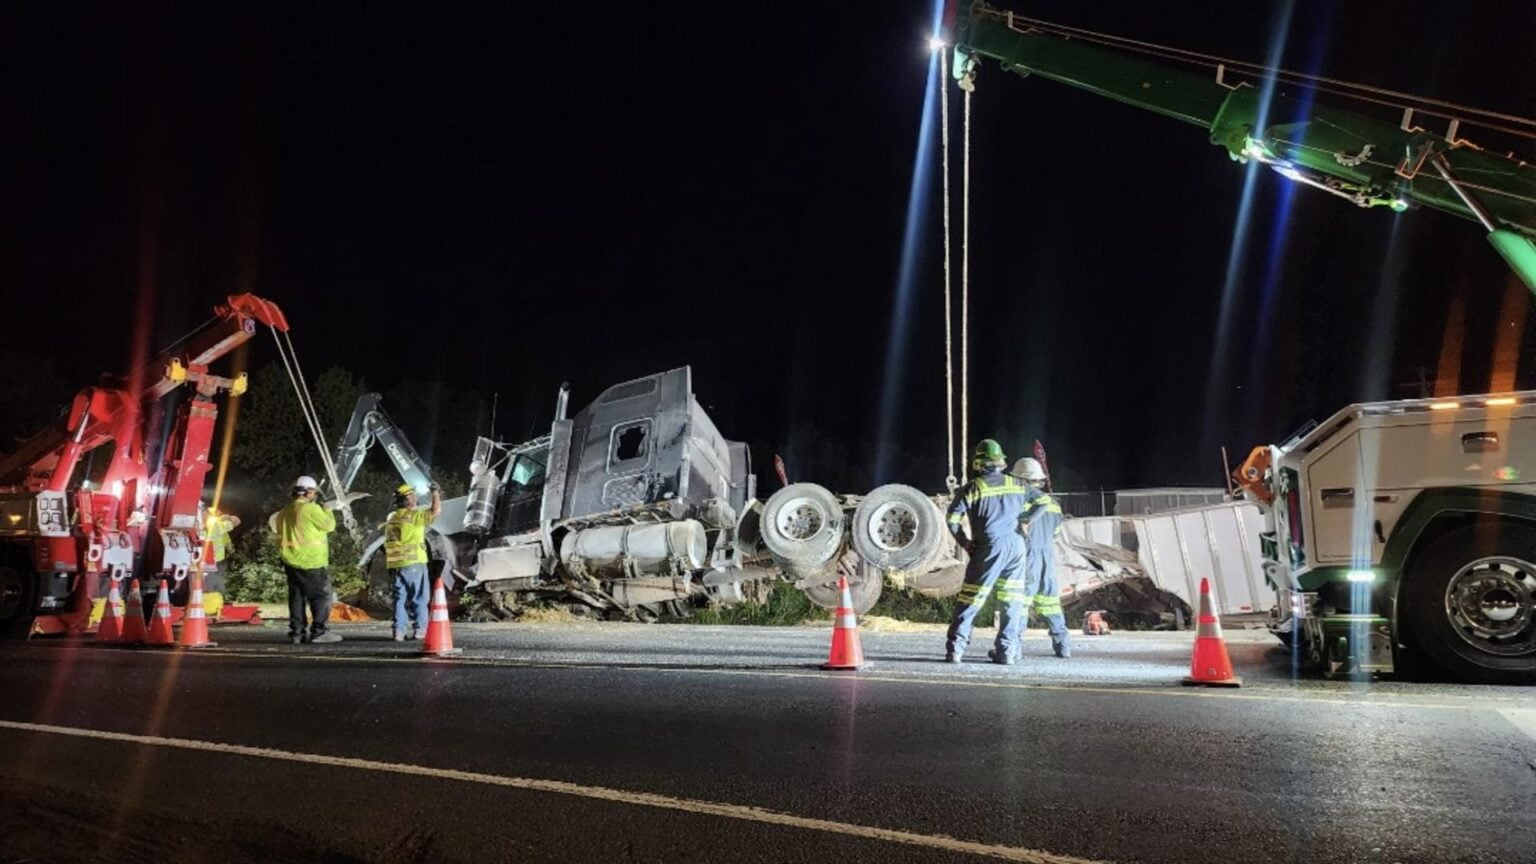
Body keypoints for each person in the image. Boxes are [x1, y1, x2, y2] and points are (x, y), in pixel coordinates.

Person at [945, 439, 1031, 664]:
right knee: (1011, 601)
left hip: (990, 547)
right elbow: (1041, 502)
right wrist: (1025, 521)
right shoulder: (1018, 485)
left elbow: (952, 519)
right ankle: (1007, 653)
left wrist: (965, 543)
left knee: (971, 597)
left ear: (979, 463)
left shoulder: (973, 488)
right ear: (1001, 461)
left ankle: (956, 649)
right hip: (1016, 547)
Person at [1012, 457, 1071, 658]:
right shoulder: (1053, 505)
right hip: (1047, 557)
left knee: (1019, 603)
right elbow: (1056, 533)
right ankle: (1063, 646)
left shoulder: (1020, 503)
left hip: (1027, 557)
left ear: (1021, 480)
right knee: (1050, 602)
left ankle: (1013, 648)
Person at [272, 475, 340, 644]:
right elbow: (329, 526)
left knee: (297, 597)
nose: (315, 495)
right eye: (314, 492)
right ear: (309, 492)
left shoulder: (284, 512)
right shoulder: (311, 509)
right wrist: (328, 509)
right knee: (321, 597)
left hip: (290, 561)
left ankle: (297, 633)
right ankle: (319, 632)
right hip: (312, 561)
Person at [385, 481, 442, 641]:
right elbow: (435, 511)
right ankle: (420, 630)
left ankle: (399, 631)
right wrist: (436, 493)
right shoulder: (414, 516)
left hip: (396, 564)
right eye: (413, 495)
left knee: (400, 598)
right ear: (408, 498)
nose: (415, 497)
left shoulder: (392, 517)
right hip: (414, 562)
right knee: (420, 597)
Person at [202, 505, 241, 618]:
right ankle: (214, 606)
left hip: (203, 560)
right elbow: (236, 521)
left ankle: (212, 605)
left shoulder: (200, 526)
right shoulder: (216, 525)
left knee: (209, 583)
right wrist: (226, 517)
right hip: (215, 560)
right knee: (215, 583)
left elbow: (236, 522)